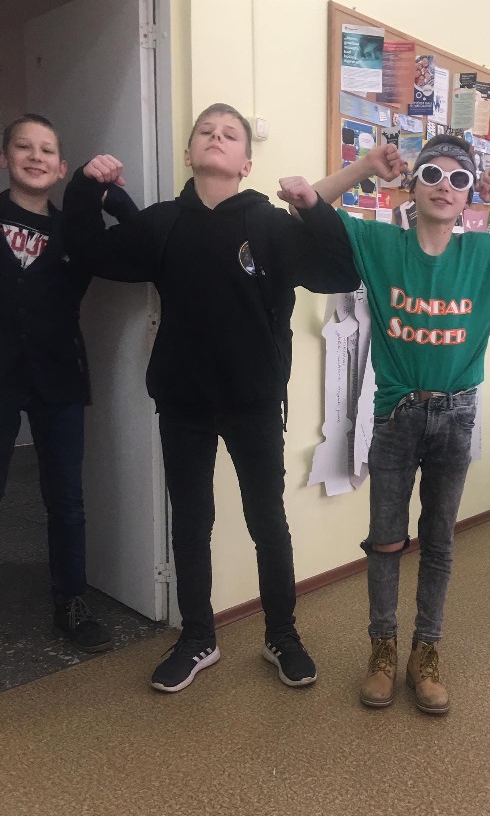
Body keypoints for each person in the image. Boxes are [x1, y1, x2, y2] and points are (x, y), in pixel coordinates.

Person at [62, 103, 360, 693]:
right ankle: (198, 637)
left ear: (246, 162)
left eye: (230, 135)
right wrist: (85, 188)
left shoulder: (270, 224)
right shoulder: (163, 223)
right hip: (183, 402)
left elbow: (340, 273)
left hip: (254, 402)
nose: (217, 138)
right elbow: (90, 250)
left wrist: (313, 207)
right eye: (207, 132)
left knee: (267, 522)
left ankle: (282, 636)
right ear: (189, 152)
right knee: (192, 522)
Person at [278, 134, 490, 715]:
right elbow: (305, 205)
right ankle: (382, 651)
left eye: (459, 179)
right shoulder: (380, 244)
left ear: (469, 197)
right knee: (386, 540)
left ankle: (426, 652)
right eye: (432, 175)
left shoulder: (488, 255)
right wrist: (366, 166)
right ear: (412, 188)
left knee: (439, 541)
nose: (445, 187)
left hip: (456, 415)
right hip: (396, 414)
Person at [1, 113, 137, 653]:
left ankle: (71, 602)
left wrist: (107, 195)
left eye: (47, 151)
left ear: (61, 169)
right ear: (6, 158)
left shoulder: (75, 233)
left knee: (66, 497)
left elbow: (136, 244)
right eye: (23, 147)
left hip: (58, 375)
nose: (35, 157)